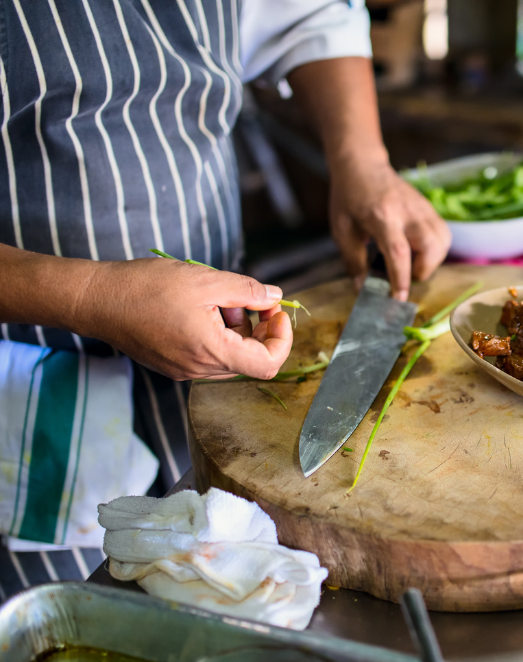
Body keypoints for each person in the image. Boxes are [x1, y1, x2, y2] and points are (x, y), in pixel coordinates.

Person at [0, 0, 450, 597]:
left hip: (219, 371)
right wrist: (89, 294)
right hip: (36, 395)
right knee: (84, 621)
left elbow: (311, 15)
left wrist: (362, 160)